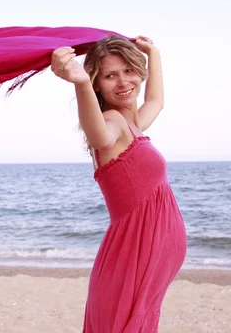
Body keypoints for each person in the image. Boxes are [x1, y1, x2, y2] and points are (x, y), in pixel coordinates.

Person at [51, 35, 187, 332]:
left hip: (145, 263)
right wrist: (81, 84)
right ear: (98, 83)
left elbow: (156, 101)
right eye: (110, 75)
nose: (123, 82)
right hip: (130, 260)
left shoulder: (134, 125)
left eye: (129, 71)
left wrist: (154, 54)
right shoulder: (112, 121)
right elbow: (100, 136)